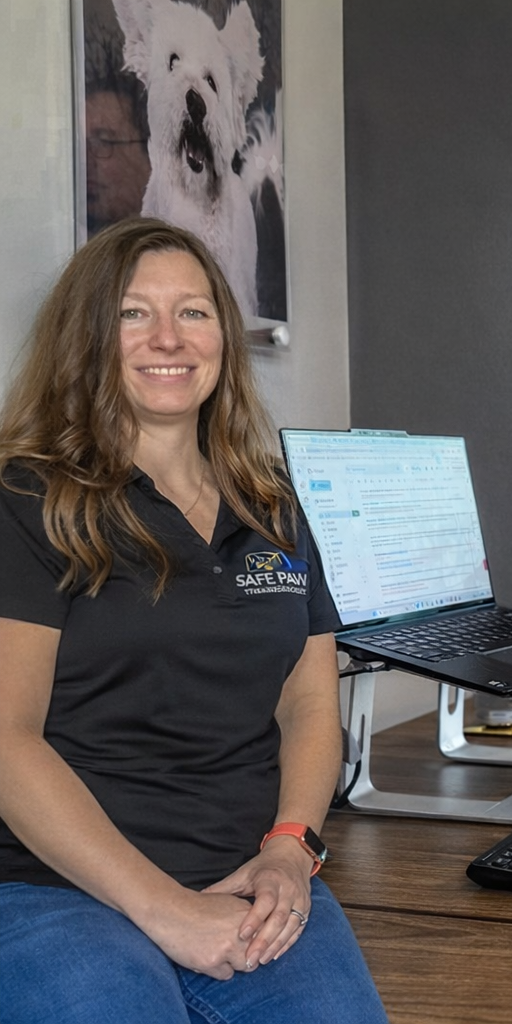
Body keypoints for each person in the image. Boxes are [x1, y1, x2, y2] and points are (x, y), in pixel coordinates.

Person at [0, 218, 387, 1022]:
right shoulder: (26, 501)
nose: (168, 338)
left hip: (249, 875)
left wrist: (291, 847)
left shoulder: (273, 504)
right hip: (53, 885)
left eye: (194, 312)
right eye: (132, 313)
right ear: (85, 336)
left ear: (224, 336)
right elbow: (8, 738)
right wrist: (164, 908)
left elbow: (309, 705)